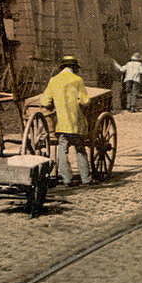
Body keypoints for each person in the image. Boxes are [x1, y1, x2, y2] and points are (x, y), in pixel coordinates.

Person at [40, 55, 91, 187]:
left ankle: (67, 179)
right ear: (74, 68)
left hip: (61, 123)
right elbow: (85, 101)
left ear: (62, 67)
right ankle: (86, 179)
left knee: (62, 150)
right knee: (80, 149)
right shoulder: (77, 80)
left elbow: (45, 101)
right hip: (76, 122)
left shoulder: (54, 80)